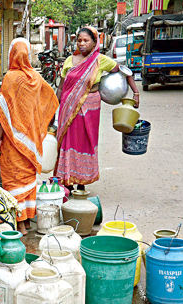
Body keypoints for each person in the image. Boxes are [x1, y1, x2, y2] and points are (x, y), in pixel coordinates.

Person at [55, 26, 140, 191]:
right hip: (68, 105)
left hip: (90, 106)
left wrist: (136, 93)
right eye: (79, 40)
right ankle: (67, 179)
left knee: (85, 141)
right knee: (67, 140)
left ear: (94, 42)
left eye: (86, 40)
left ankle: (82, 181)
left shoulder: (100, 60)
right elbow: (61, 87)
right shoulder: (69, 61)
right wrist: (55, 106)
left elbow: (126, 72)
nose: (82, 44)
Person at [0, 38, 59, 236]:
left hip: (13, 141)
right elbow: (51, 100)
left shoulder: (10, 78)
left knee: (13, 181)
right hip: (31, 141)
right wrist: (40, 128)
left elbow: (3, 114)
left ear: (12, 54)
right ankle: (28, 220)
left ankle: (19, 223)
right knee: (28, 179)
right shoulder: (35, 78)